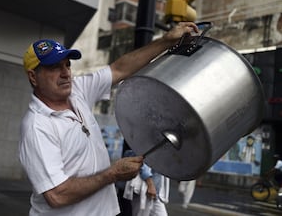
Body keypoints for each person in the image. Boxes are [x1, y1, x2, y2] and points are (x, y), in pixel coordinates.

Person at [19, 22, 199, 215]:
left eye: (67, 65)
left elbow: (119, 69)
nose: (65, 73)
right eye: (54, 67)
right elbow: (57, 195)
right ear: (33, 77)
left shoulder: (77, 91)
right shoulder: (37, 127)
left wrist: (166, 41)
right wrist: (112, 174)